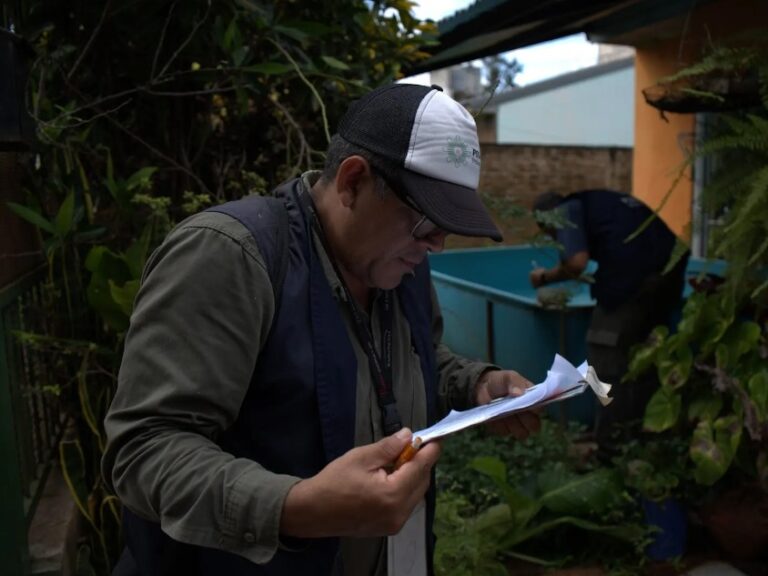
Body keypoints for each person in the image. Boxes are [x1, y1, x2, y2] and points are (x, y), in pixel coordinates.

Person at [102, 83, 541, 576]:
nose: (436, 244)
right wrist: (297, 507)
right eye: (424, 220)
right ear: (352, 182)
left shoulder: (402, 264)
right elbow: (145, 449)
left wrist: (477, 384)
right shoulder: (232, 258)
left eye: (447, 226)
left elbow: (417, 358)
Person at [529, 189, 689, 446]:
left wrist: (545, 277)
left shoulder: (566, 211)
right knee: (645, 354)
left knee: (601, 357)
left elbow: (576, 262)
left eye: (551, 234)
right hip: (670, 268)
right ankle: (644, 435)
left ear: (547, 220)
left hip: (633, 274)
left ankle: (610, 445)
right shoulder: (601, 201)